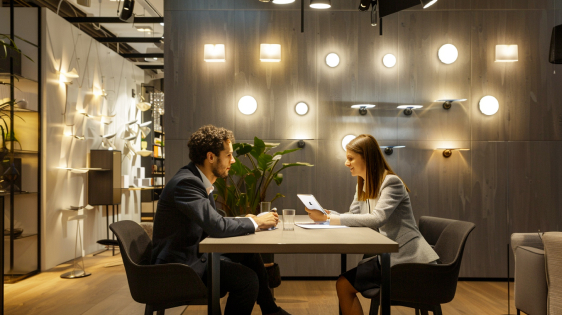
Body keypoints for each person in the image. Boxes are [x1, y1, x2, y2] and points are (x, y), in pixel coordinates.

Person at [151, 125, 290, 315]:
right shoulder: (187, 183)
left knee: (249, 254)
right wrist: (257, 222)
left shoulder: (196, 179)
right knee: (247, 280)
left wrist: (246, 219)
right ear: (210, 157)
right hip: (180, 268)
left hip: (192, 254)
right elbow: (216, 226)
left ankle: (271, 310)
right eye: (228, 155)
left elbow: (213, 220)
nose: (232, 160)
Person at [306, 134, 439, 315]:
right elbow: (354, 215)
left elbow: (377, 218)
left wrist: (329, 220)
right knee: (343, 283)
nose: (347, 163)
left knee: (343, 284)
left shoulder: (391, 182)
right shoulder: (363, 184)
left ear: (366, 157)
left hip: (407, 261)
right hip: (389, 258)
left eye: (351, 158)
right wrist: (330, 214)